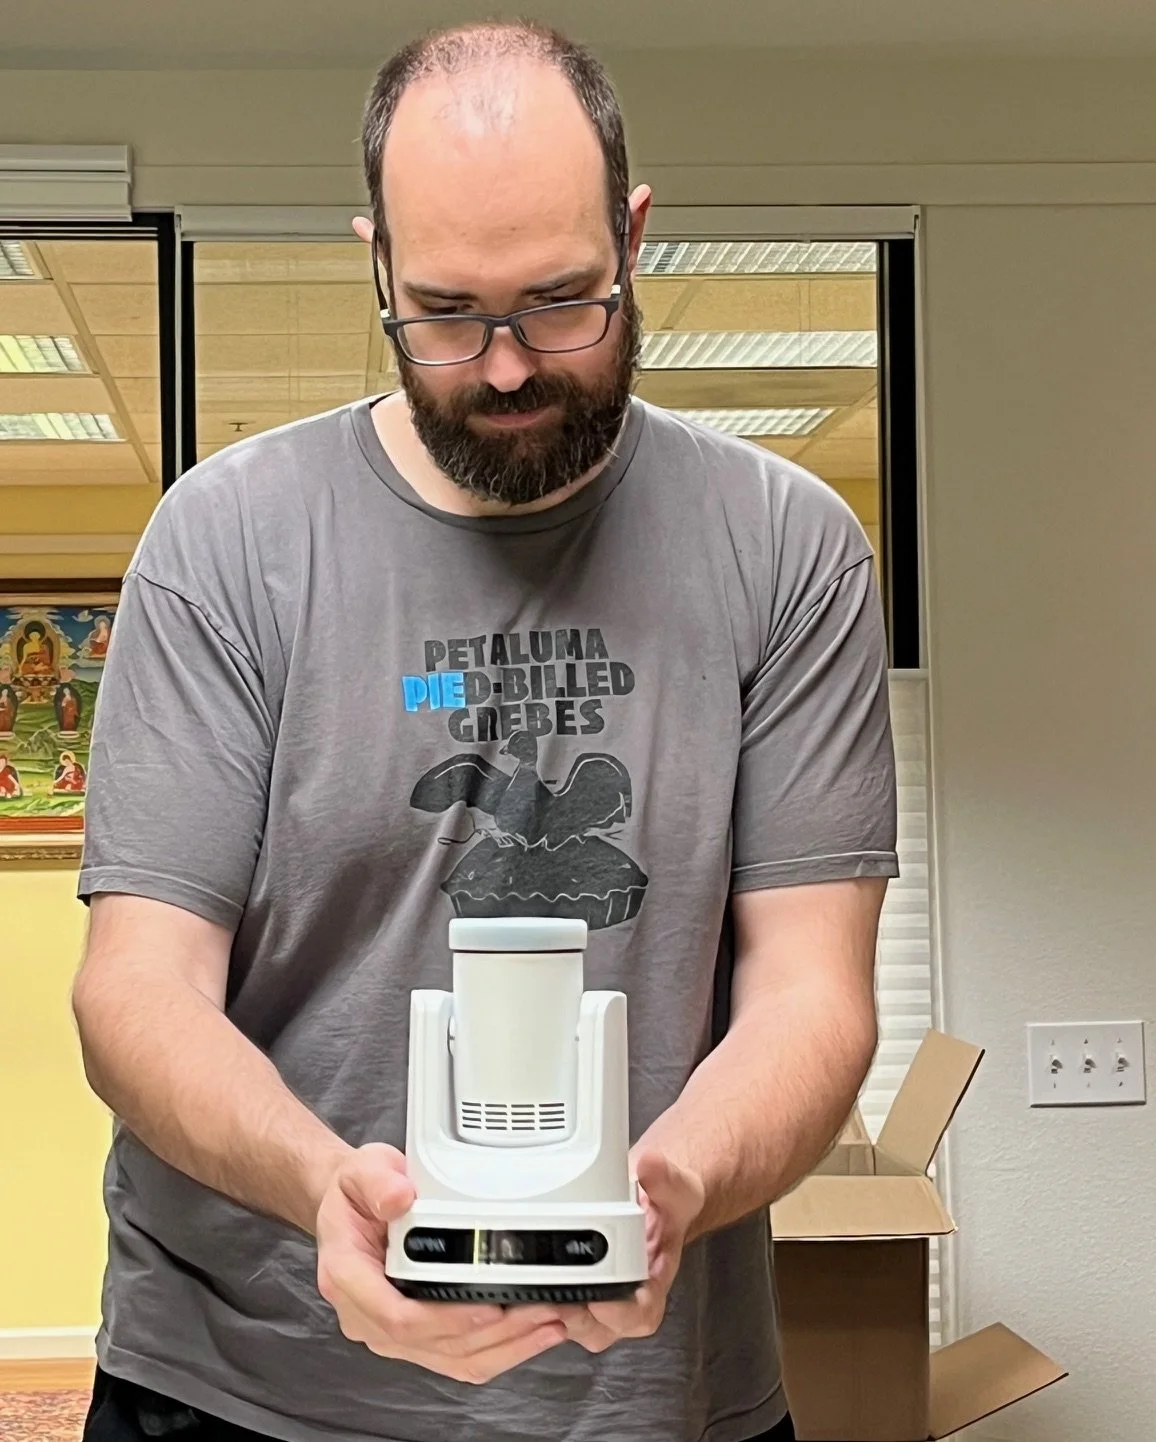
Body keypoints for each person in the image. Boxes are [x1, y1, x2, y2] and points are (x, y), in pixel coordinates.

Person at [72, 20, 897, 1442]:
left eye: (560, 302)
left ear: (633, 238)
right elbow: (136, 993)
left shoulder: (784, 548)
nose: (506, 367)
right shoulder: (226, 544)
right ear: (376, 264)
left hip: (648, 1394)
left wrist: (670, 1190)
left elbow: (811, 991)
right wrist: (330, 1191)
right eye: (446, 314)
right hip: (246, 1385)